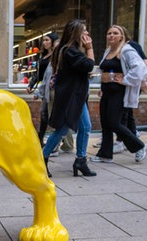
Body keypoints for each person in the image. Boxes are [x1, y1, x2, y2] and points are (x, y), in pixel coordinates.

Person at [42, 19, 96, 177]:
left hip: (76, 96)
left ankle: (80, 160)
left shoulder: (68, 50)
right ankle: (41, 158)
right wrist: (90, 48)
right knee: (63, 129)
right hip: (71, 97)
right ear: (76, 33)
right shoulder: (69, 51)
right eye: (84, 31)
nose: (87, 34)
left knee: (85, 127)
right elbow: (89, 65)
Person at [91, 25, 147, 164]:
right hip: (107, 91)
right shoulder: (108, 51)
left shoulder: (126, 50)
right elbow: (105, 71)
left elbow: (140, 67)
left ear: (121, 36)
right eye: (109, 33)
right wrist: (102, 87)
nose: (111, 35)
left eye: (115, 33)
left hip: (119, 92)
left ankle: (139, 145)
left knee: (114, 123)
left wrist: (126, 80)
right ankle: (105, 154)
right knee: (105, 123)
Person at [28, 33, 74, 154]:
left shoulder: (57, 55)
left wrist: (40, 91)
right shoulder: (44, 56)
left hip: (56, 91)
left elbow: (51, 76)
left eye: (47, 40)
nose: (44, 43)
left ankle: (58, 144)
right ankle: (60, 143)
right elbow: (41, 75)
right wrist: (34, 87)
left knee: (56, 118)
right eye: (43, 40)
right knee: (50, 116)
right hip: (48, 90)